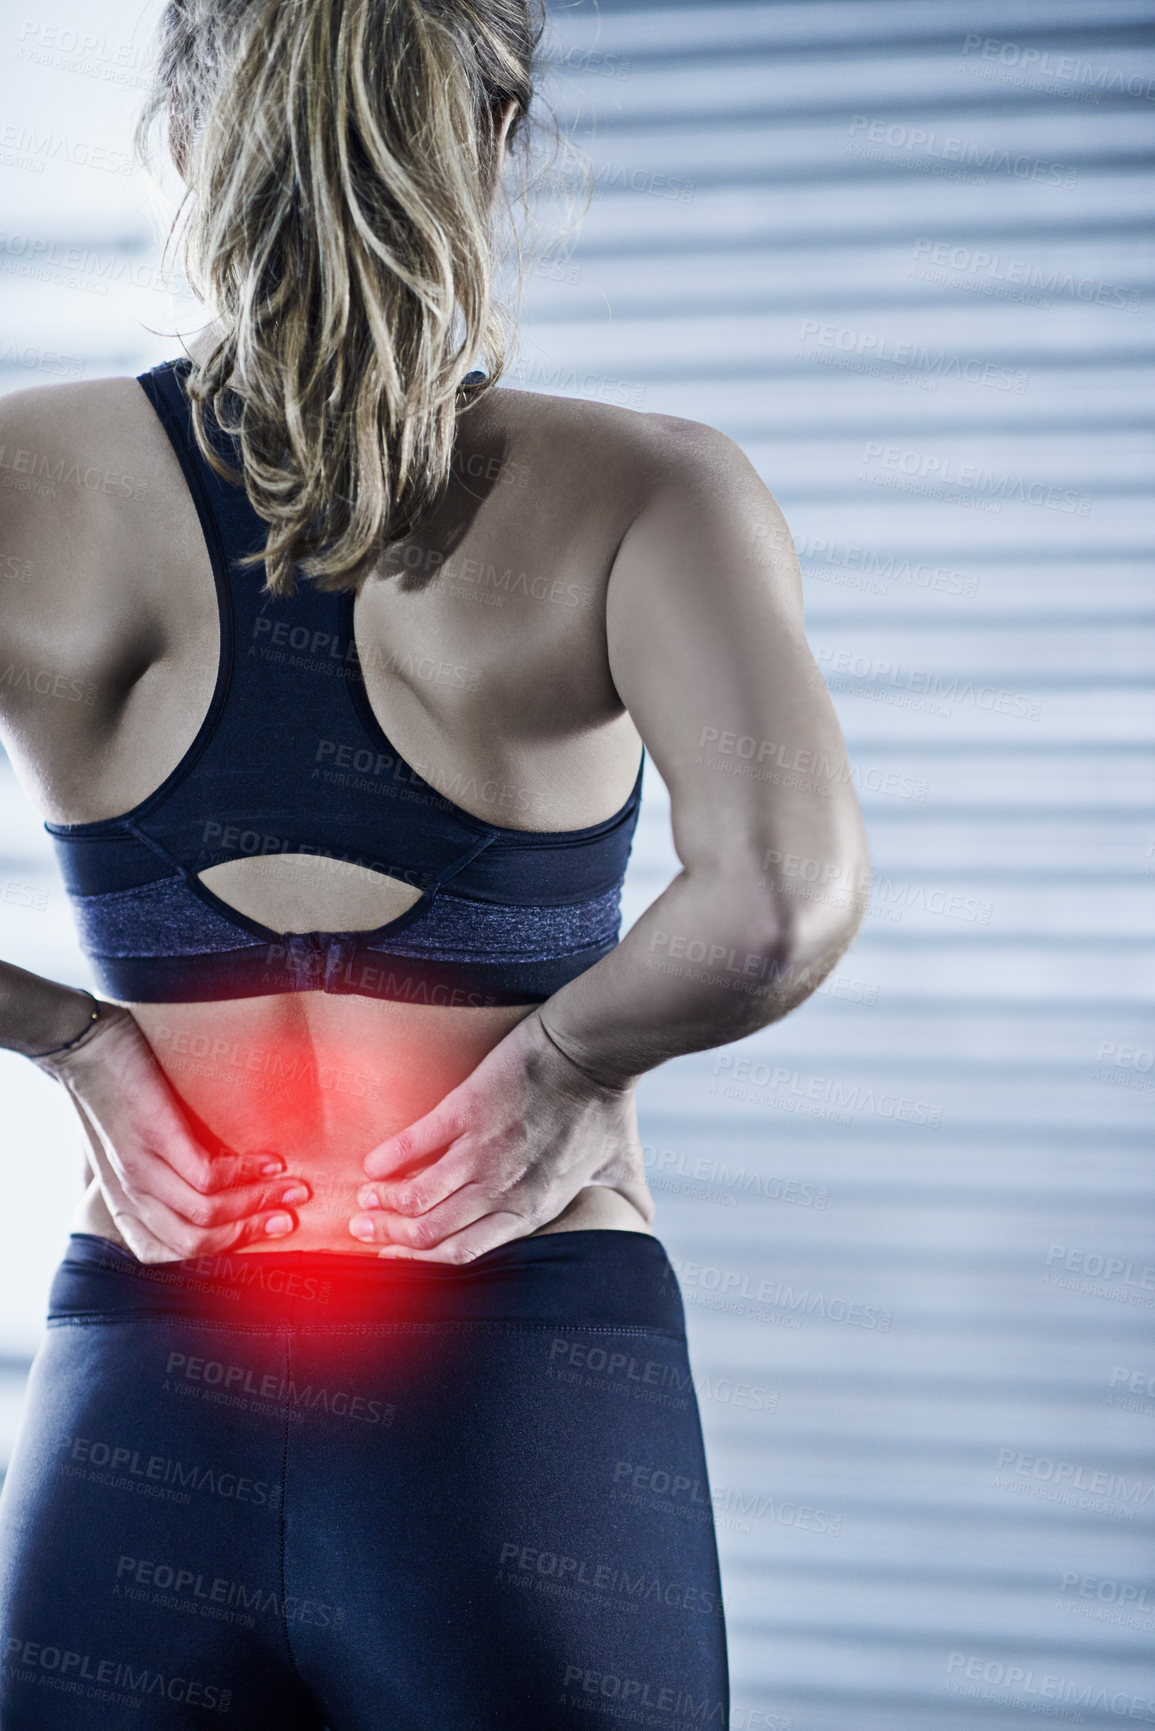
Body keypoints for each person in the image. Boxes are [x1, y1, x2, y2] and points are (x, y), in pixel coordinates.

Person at [0, 0, 868, 1724]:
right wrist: (562, 1059)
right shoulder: (645, 492)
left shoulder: (24, 482)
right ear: (490, 142)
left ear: (188, 134)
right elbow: (775, 907)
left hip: (145, 1381)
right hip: (519, 1383)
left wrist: (83, 1041)